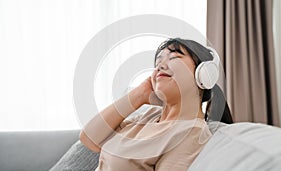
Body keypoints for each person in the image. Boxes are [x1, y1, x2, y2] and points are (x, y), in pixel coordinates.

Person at [80, 38, 233, 171]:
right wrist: (139, 95)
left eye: (174, 57)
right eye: (158, 62)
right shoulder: (150, 116)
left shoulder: (191, 132)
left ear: (203, 74)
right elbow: (89, 139)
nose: (160, 66)